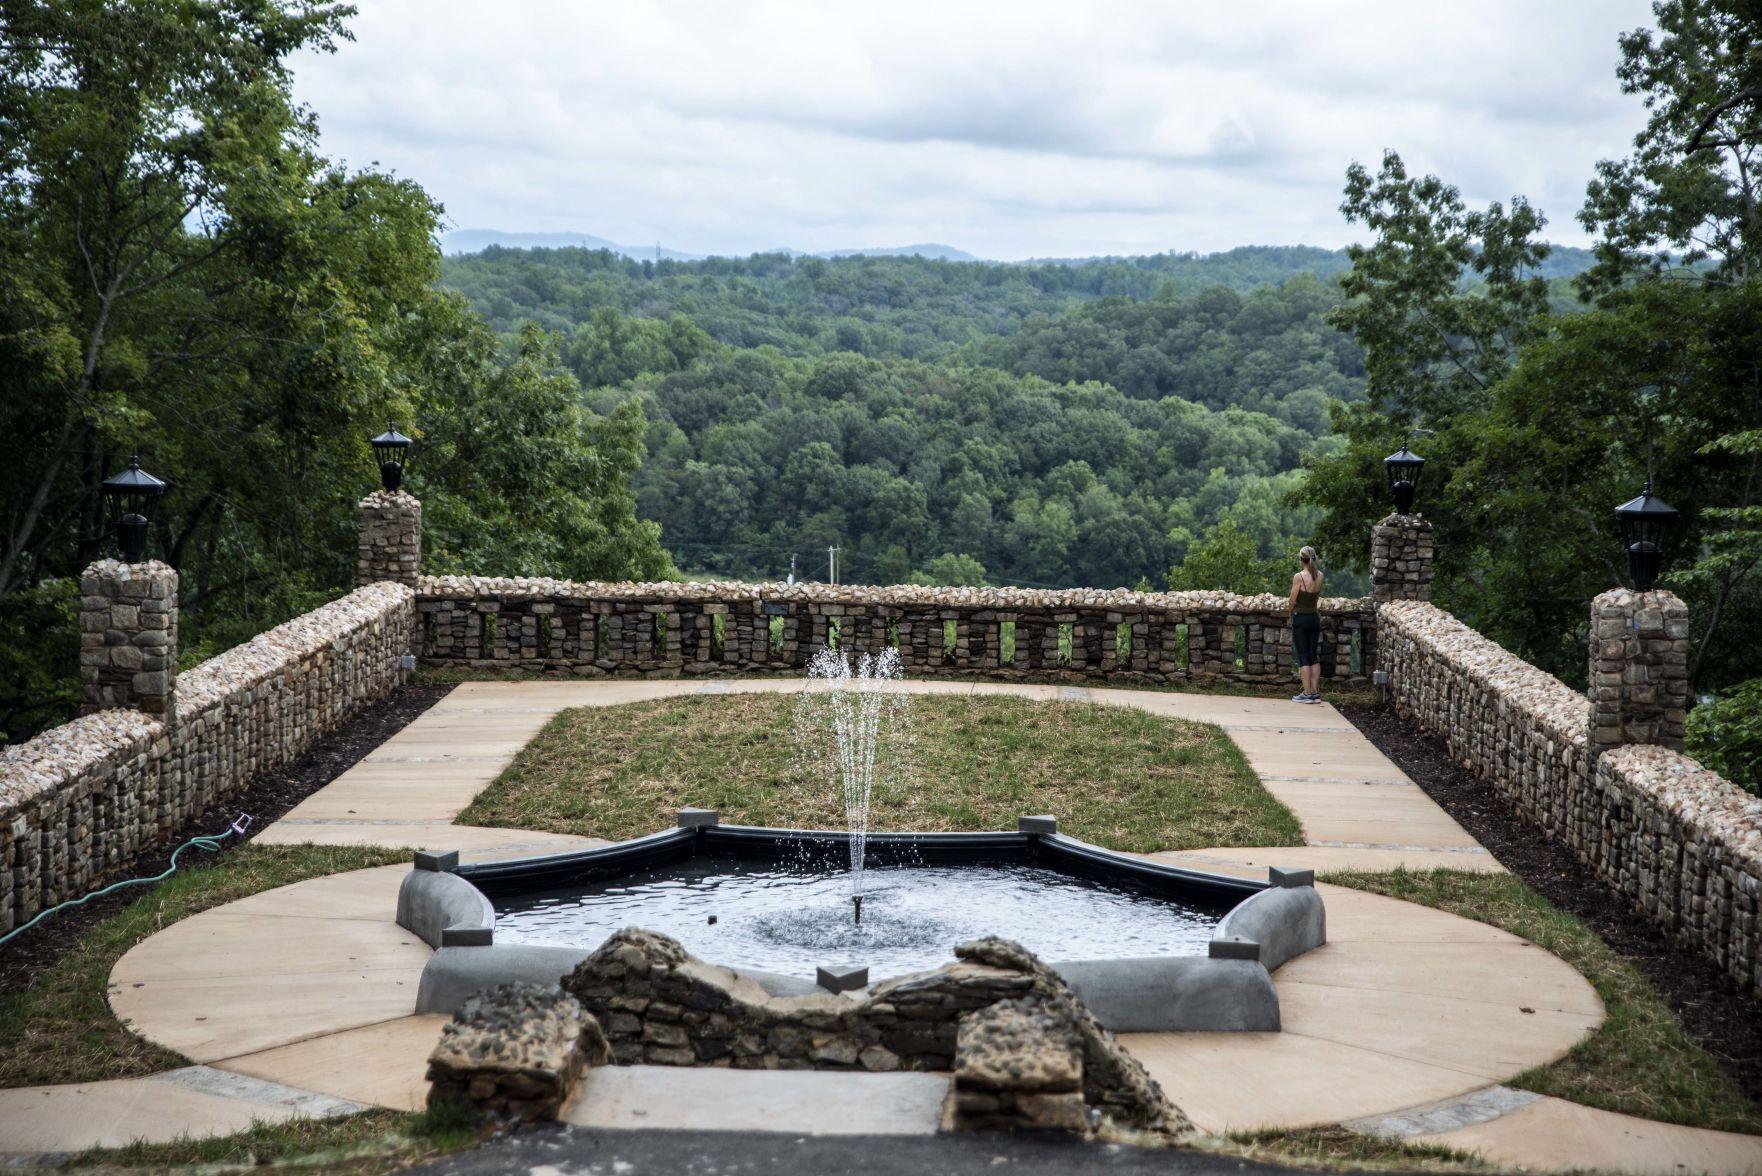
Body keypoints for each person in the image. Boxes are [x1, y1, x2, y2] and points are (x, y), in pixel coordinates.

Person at [1288, 546, 1323, 704]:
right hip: (1314, 618)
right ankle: (1315, 692)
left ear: (1301, 560)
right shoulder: (1320, 575)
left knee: (1303, 656)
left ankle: (1307, 693)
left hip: (1301, 618)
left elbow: (1292, 600)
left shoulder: (1299, 577)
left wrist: (1289, 615)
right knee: (1313, 655)